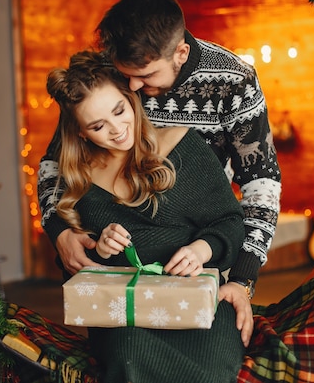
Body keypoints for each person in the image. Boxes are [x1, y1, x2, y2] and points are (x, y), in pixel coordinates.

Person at [38, 0, 281, 347]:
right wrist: (58, 230)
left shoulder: (234, 81)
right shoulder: (111, 68)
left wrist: (242, 280)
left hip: (205, 247)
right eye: (126, 76)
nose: (132, 86)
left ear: (180, 52)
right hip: (123, 256)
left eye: (145, 76)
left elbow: (261, 184)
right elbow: (54, 164)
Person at [46, 50, 247, 383]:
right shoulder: (78, 177)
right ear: (81, 133)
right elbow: (80, 266)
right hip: (125, 315)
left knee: (210, 368)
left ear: (131, 98)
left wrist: (201, 250)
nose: (117, 130)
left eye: (119, 110)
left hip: (194, 298)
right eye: (98, 126)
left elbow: (229, 221)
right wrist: (100, 246)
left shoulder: (182, 146)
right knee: (130, 356)